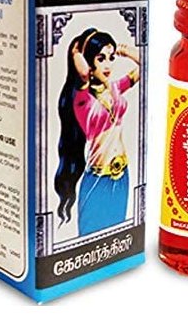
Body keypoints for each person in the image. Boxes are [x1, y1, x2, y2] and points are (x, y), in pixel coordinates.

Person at [54, 28, 140, 235]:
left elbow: (146, 66)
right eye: (101, 59)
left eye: (110, 58)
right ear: (89, 62)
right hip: (98, 178)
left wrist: (124, 50)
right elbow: (83, 73)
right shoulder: (81, 99)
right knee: (92, 233)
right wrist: (76, 52)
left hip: (122, 175)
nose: (108, 65)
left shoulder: (115, 88)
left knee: (116, 233)